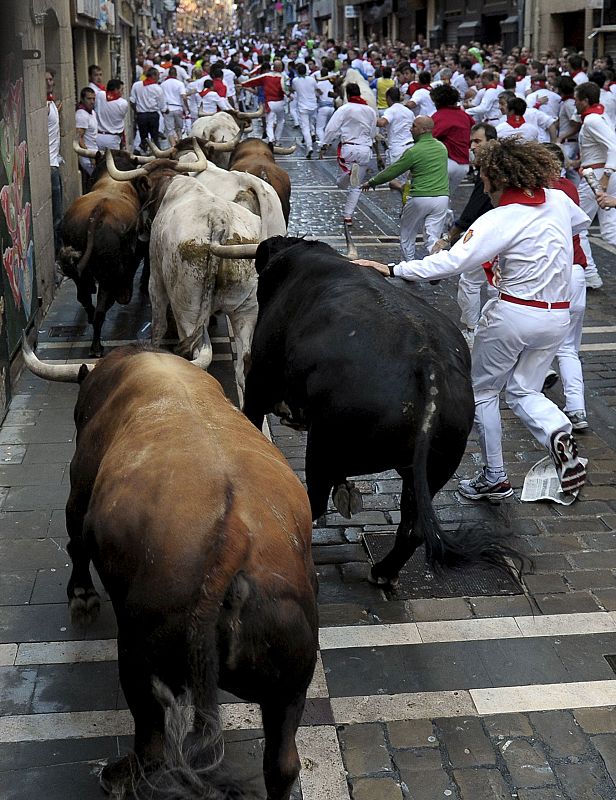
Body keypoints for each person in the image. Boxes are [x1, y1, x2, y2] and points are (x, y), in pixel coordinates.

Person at [356, 137, 590, 499]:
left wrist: (393, 268)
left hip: (513, 313)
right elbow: (580, 222)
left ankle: (495, 476)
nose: (481, 185)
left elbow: (451, 262)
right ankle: (557, 429)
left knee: (482, 391)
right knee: (525, 390)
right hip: (556, 315)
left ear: (499, 179)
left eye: (483, 178)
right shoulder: (558, 200)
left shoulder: (498, 219)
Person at [432, 122, 498, 348]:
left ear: (492, 142)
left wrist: (448, 238)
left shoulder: (490, 172)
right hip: (499, 236)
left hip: (491, 237)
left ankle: (473, 331)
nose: (472, 146)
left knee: (472, 282)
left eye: (478, 141)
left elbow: (471, 212)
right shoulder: (494, 168)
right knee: (495, 285)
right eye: (471, 142)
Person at [544, 143, 589, 432]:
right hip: (576, 272)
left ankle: (535, 388)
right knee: (569, 348)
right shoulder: (569, 188)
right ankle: (576, 407)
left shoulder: (540, 192)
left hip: (554, 274)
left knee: (532, 332)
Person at [362, 115, 449, 259]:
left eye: (414, 126)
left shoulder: (413, 152)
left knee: (407, 234)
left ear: (423, 130)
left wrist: (371, 182)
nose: (410, 129)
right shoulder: (442, 147)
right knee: (432, 236)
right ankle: (436, 262)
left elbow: (392, 171)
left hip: (419, 198)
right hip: (442, 198)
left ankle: (409, 264)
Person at [574, 81, 616, 290]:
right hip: (600, 173)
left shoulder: (592, 119)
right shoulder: (600, 115)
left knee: (577, 225)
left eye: (576, 99)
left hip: (597, 176)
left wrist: (606, 176)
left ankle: (590, 274)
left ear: (584, 100)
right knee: (609, 230)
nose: (574, 103)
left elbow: (613, 147)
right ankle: (590, 274)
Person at [320, 82, 377, 225]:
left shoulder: (344, 109)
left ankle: (349, 174)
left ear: (348, 94)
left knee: (342, 183)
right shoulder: (370, 111)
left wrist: (324, 144)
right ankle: (348, 215)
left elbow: (331, 128)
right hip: (364, 149)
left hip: (349, 149)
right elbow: (372, 132)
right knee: (356, 186)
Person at [431, 84, 473, 212]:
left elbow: (430, 138)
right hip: (464, 165)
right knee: (446, 196)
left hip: (447, 162)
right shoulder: (464, 115)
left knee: (436, 198)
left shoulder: (439, 116)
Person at [376, 87, 415, 193]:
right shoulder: (409, 112)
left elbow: (382, 122)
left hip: (397, 149)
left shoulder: (391, 110)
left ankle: (403, 191)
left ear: (388, 98)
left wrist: (369, 119)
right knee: (408, 181)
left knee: (393, 181)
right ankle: (407, 195)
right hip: (411, 148)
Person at [241, 60, 288, 144]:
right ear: (281, 68)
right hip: (280, 103)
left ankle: (271, 139)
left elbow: (252, 81)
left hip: (269, 103)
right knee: (281, 121)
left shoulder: (266, 76)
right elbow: (285, 89)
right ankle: (277, 139)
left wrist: (242, 84)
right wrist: (289, 95)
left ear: (273, 67)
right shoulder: (283, 77)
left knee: (269, 123)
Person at [130, 67, 167, 152]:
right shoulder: (157, 88)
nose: (159, 77)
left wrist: (137, 112)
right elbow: (162, 106)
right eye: (157, 75)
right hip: (153, 115)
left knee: (143, 137)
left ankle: (143, 151)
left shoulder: (136, 85)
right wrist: (165, 110)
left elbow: (132, 101)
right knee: (155, 137)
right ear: (153, 76)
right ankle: (157, 153)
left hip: (141, 115)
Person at [46, 69, 63, 263]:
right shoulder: (44, 106)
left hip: (55, 163)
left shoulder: (50, 104)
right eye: (47, 79)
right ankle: (59, 258)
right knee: (57, 217)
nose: (50, 82)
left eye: (51, 79)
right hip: (50, 166)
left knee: (59, 215)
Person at [291, 63, 318, 158]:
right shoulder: (312, 79)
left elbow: (293, 89)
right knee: (311, 123)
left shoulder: (295, 81)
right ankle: (313, 133)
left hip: (303, 107)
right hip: (313, 105)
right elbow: (317, 89)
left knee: (305, 127)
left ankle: (309, 146)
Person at [95, 79, 129, 151]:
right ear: (116, 90)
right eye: (121, 90)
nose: (122, 92)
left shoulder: (99, 95)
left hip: (98, 137)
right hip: (113, 139)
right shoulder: (123, 103)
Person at [75, 86, 97, 181]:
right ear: (82, 99)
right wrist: (89, 156)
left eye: (93, 99)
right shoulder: (81, 115)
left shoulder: (92, 112)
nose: (92, 101)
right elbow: (79, 138)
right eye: (89, 99)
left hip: (94, 152)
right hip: (87, 157)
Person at [161, 66, 187, 146]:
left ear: (168, 74)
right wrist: (186, 107)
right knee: (179, 128)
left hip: (168, 109)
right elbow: (184, 97)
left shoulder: (163, 84)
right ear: (176, 74)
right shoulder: (180, 83)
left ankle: (173, 146)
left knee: (170, 130)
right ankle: (180, 143)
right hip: (178, 108)